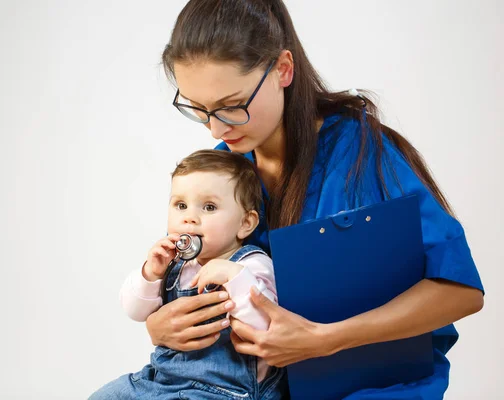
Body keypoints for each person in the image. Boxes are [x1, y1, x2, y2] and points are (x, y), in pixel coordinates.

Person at [142, 0, 485, 399]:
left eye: (232, 106)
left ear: (283, 69)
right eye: (199, 110)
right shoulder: (225, 172)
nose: (215, 127)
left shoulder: (360, 154)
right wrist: (161, 325)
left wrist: (325, 340)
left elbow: (460, 291)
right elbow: (193, 277)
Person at [88, 149, 288, 399]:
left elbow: (266, 326)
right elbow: (134, 310)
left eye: (209, 207)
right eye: (180, 205)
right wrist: (150, 274)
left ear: (245, 223)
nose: (190, 218)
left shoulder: (251, 264)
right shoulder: (175, 264)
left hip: (228, 391)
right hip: (164, 380)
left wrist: (234, 279)